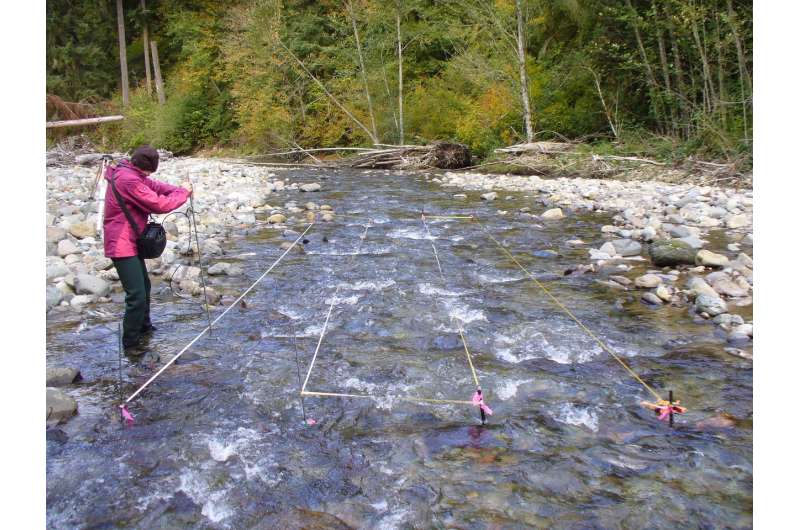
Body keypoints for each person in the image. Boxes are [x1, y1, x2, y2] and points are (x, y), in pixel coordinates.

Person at [103, 145, 192, 354]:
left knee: (145, 286)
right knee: (136, 295)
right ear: (142, 166)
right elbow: (158, 205)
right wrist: (184, 194)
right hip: (121, 243)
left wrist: (179, 189)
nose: (150, 175)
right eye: (149, 171)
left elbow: (155, 186)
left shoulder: (130, 172)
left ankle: (144, 328)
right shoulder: (128, 179)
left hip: (131, 240)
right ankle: (131, 344)